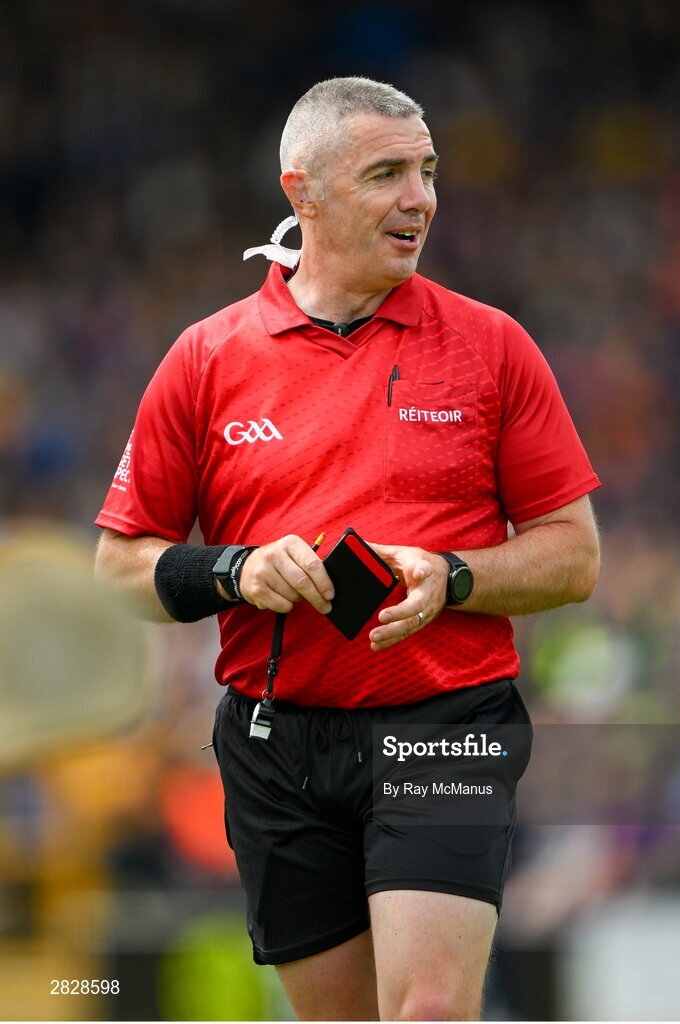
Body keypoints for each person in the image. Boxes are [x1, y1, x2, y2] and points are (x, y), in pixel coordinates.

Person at [94, 76, 601, 1021]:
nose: (420, 199)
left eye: (427, 171)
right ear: (303, 192)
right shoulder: (205, 358)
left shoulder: (492, 347)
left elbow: (572, 557)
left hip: (443, 719)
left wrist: (450, 577)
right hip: (273, 741)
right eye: (386, 175)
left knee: (430, 1012)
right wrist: (235, 570)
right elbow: (119, 569)